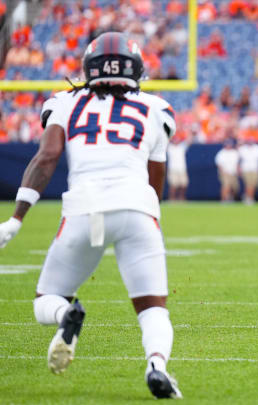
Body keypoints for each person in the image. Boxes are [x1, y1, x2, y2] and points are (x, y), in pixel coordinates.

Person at [0, 32, 181, 399]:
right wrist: (145, 222)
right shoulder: (156, 108)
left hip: (85, 210)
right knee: (151, 308)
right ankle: (157, 365)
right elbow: (154, 182)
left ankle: (66, 317)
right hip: (136, 209)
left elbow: (46, 158)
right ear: (137, 69)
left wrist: (16, 219)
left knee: (46, 300)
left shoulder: (65, 103)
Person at [237, 138, 258, 204]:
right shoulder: (242, 148)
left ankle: (246, 196)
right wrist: (238, 169)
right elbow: (238, 159)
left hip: (255, 169)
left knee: (255, 185)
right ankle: (249, 198)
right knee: (249, 184)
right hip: (246, 169)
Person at [166, 136, 189, 201]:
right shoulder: (170, 147)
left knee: (183, 185)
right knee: (173, 185)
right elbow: (165, 141)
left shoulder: (182, 147)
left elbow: (189, 141)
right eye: (175, 140)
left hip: (182, 169)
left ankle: (181, 198)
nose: (176, 141)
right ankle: (172, 199)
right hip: (173, 169)